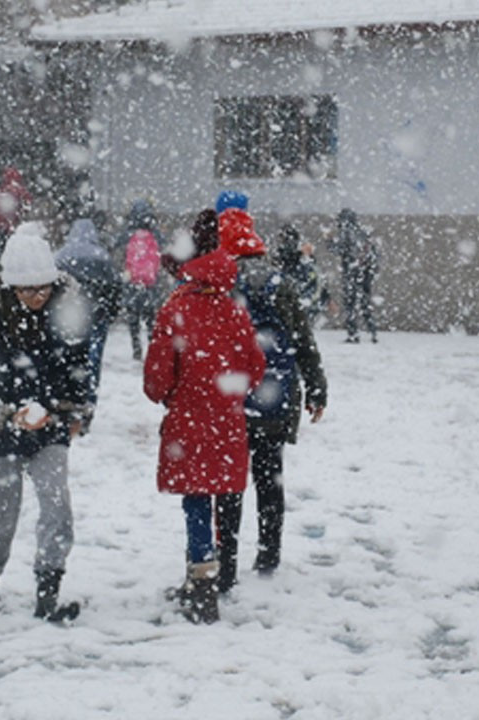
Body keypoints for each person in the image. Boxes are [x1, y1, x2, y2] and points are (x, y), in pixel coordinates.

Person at [0, 223, 91, 620]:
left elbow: (80, 370)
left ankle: (48, 591)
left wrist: (72, 412)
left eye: (44, 288)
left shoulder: (66, 317)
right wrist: (5, 411)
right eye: (28, 290)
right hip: (1, 434)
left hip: (49, 427)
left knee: (56, 509)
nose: (38, 296)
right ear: (10, 288)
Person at [143, 248, 266, 624]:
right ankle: (210, 576)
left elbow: (157, 377)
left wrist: (169, 394)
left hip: (189, 418)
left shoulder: (175, 310)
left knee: (196, 500)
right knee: (219, 494)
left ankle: (201, 582)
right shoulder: (236, 312)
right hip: (227, 421)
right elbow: (255, 368)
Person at [216, 205, 328, 593]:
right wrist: (316, 388)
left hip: (233, 401)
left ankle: (225, 559)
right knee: (269, 477)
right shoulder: (280, 284)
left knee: (229, 484)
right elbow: (303, 342)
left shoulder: (222, 282)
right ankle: (268, 554)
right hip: (276, 401)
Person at [55, 217, 124, 409]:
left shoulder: (61, 256)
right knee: (94, 360)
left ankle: (70, 399)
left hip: (70, 317)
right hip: (97, 315)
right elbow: (115, 287)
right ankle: (89, 400)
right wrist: (111, 312)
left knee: (69, 358)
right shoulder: (101, 256)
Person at [120, 199, 163, 360]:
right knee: (151, 319)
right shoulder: (155, 234)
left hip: (133, 283)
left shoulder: (128, 234)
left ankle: (136, 348)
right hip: (150, 284)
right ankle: (152, 347)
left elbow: (117, 246)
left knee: (133, 320)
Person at [333, 208, 379, 343]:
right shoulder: (363, 232)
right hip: (365, 273)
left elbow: (340, 249)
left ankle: (353, 334)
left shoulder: (346, 232)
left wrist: (329, 241)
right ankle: (372, 331)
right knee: (365, 303)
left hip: (351, 273)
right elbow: (373, 252)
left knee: (350, 304)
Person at [0, 167, 34, 278]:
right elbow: (27, 204)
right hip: (12, 228)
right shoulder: (20, 190)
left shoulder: (1, 191)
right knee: (11, 251)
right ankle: (11, 272)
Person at [275, 223, 329, 327]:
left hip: (294, 286)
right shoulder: (297, 253)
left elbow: (286, 260)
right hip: (299, 288)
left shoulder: (288, 250)